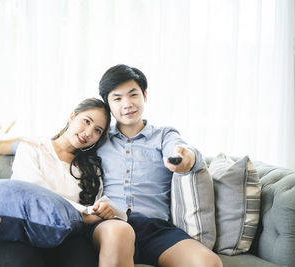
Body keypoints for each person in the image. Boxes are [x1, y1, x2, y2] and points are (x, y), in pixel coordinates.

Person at [95, 64, 223, 267]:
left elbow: (181, 149)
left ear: (145, 95)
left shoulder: (164, 135)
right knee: (119, 233)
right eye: (117, 98)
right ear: (108, 104)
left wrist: (184, 159)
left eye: (133, 95)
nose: (127, 104)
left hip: (155, 228)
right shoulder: (99, 139)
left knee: (207, 263)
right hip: (111, 224)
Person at [0, 98, 135, 267]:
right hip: (21, 233)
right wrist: (82, 215)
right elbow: (35, 195)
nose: (88, 132)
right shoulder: (33, 147)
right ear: (72, 116)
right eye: (86, 121)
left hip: (67, 238)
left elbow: (93, 206)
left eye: (97, 130)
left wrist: (102, 210)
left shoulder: (91, 168)